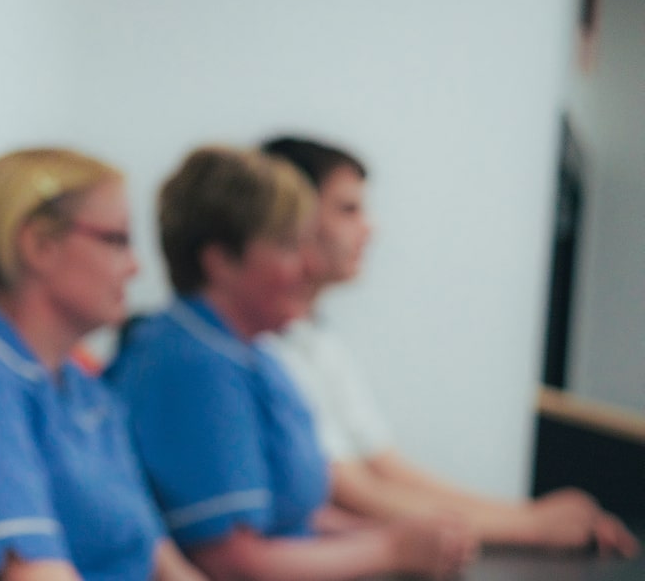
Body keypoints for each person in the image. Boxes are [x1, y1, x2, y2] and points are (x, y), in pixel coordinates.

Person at [105, 146, 477, 580]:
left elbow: (292, 515)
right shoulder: (190, 365)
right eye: (288, 246)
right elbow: (231, 561)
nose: (309, 264)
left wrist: (399, 535)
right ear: (220, 260)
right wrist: (390, 549)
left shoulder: (257, 354)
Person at [259, 135, 639, 557]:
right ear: (293, 216)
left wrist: (531, 515)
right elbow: (350, 491)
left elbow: (384, 466)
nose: (369, 228)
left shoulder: (316, 339)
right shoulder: (265, 347)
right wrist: (530, 525)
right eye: (348, 210)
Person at [0, 148, 205, 581]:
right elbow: (29, 573)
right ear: (40, 245)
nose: (134, 268)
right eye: (117, 240)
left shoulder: (85, 389)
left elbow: (160, 561)